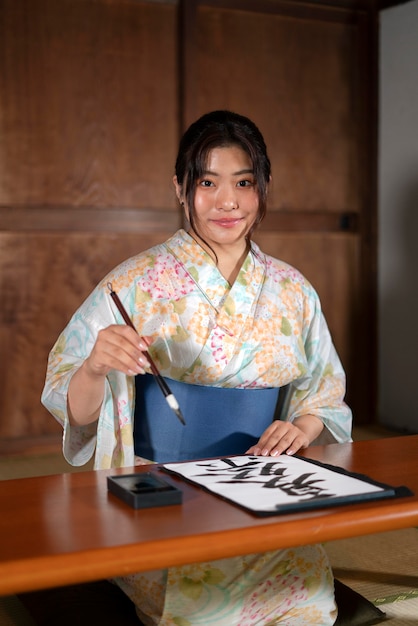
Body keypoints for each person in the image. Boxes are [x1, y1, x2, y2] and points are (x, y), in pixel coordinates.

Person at [42, 110, 352, 625]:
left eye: (244, 183)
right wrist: (95, 367)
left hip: (262, 482)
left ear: (263, 188)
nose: (227, 201)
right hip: (162, 490)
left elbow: (324, 391)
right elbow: (66, 400)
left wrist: (300, 427)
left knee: (308, 600)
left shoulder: (293, 289)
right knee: (206, 607)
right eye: (207, 182)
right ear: (181, 189)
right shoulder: (133, 280)